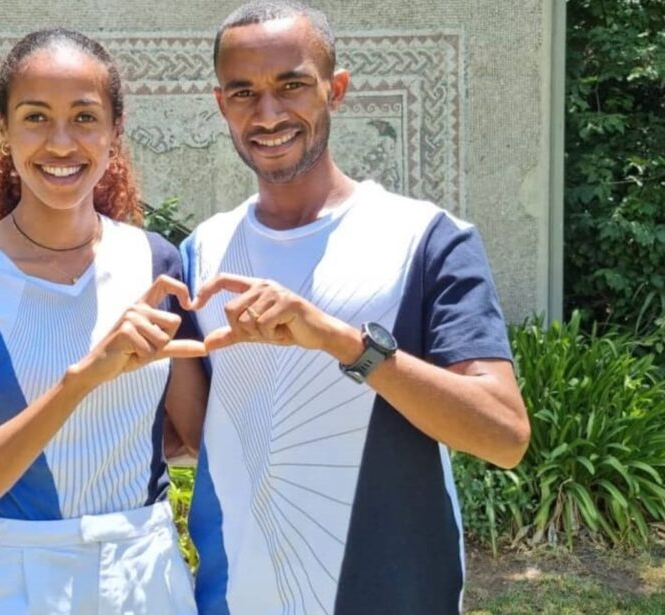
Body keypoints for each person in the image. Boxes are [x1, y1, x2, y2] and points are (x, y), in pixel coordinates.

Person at [180, 2, 532, 613]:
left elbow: (504, 435)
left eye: (291, 85)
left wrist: (345, 343)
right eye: (244, 93)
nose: (268, 114)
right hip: (233, 598)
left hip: (396, 595)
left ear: (334, 90)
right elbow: (188, 432)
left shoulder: (427, 238)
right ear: (220, 105)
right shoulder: (199, 252)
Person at [0, 28, 205, 614]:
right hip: (13, 580)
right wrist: (82, 381)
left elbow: (196, 439)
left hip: (146, 575)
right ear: (4, 128)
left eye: (85, 117)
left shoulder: (157, 263)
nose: (61, 142)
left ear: (115, 131)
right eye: (36, 117)